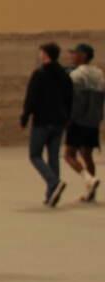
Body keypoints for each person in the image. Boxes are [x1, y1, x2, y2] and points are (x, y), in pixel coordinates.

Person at [20, 42, 73, 206]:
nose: (39, 55)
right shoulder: (65, 75)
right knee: (53, 156)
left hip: (42, 121)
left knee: (35, 154)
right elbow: (70, 98)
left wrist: (25, 117)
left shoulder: (39, 74)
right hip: (59, 121)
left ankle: (53, 182)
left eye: (41, 52)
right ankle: (52, 194)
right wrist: (67, 118)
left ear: (45, 55)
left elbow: (31, 98)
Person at [63, 43, 103, 201]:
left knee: (68, 155)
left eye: (75, 53)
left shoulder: (76, 75)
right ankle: (91, 193)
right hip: (93, 121)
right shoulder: (99, 73)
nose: (72, 56)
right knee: (87, 155)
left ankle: (89, 179)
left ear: (84, 56)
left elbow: (73, 100)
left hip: (78, 120)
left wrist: (68, 118)